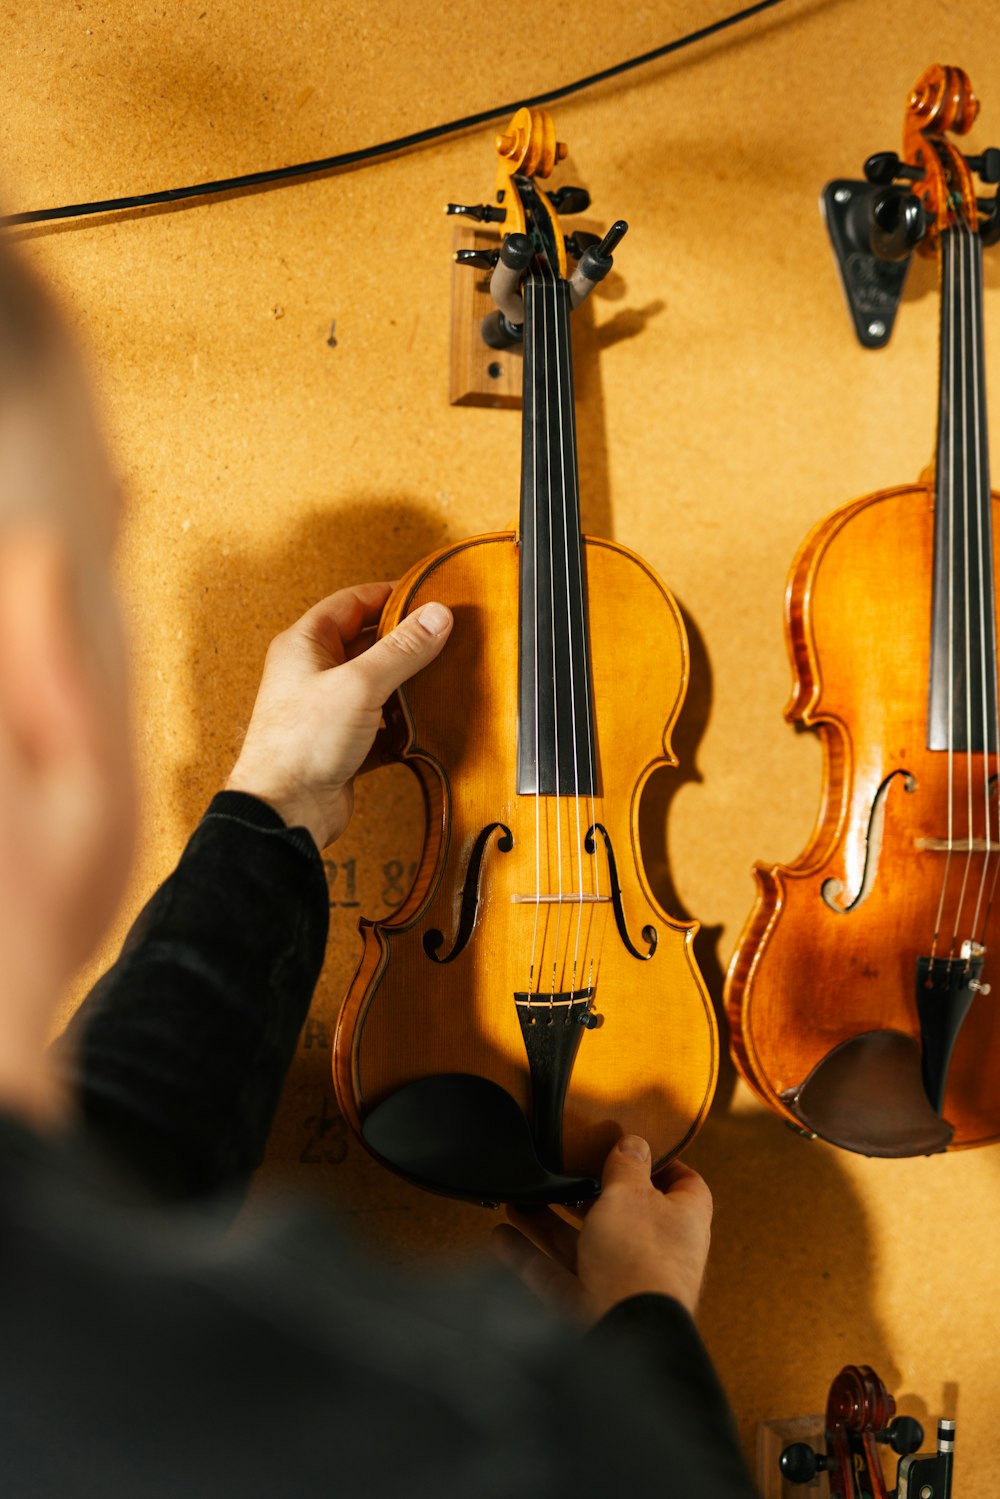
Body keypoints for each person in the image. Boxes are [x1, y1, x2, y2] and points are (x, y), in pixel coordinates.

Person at [0, 239, 754, 1496]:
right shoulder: (467, 1427)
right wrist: (645, 1334)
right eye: (105, 564)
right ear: (45, 676)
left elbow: (114, 1161)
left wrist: (281, 792)